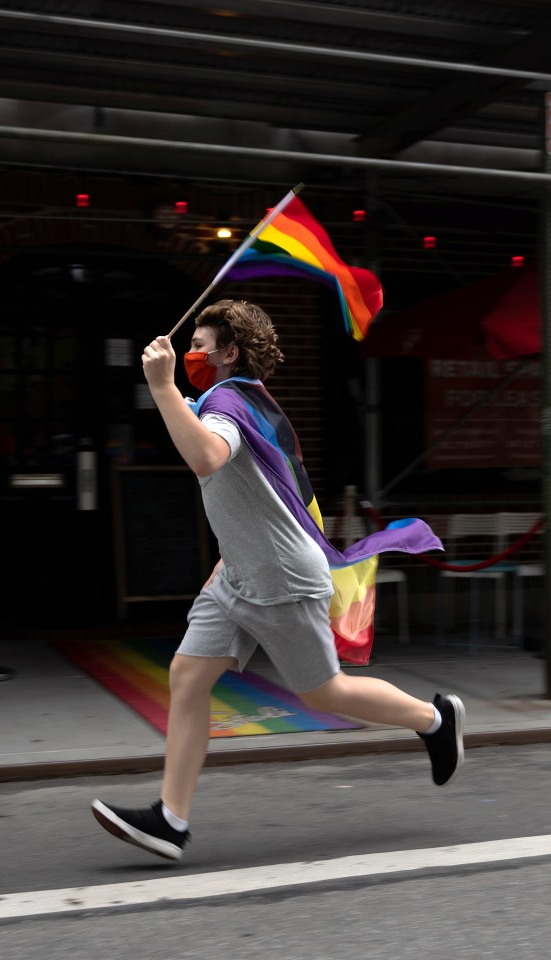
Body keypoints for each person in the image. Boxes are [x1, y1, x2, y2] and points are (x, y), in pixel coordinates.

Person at [91, 299, 461, 862]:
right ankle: (171, 820)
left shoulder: (228, 404)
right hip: (237, 574)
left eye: (199, 343)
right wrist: (230, 557)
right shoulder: (239, 402)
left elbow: (207, 458)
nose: (190, 352)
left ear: (229, 352)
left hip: (282, 579)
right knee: (187, 678)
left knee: (324, 692)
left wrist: (161, 385)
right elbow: (262, 496)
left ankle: (435, 720)